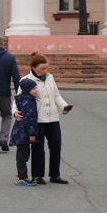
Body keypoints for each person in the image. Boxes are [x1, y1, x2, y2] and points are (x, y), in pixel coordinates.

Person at [19, 53, 72, 185]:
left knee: (56, 146)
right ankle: (37, 175)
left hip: (53, 118)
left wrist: (64, 106)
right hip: (37, 119)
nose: (45, 71)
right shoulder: (25, 80)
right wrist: (15, 112)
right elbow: (18, 99)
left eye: (46, 68)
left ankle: (55, 175)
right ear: (33, 67)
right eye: (42, 69)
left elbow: (56, 95)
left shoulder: (50, 77)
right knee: (38, 148)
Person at [9, 79, 39, 186]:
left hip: (21, 131)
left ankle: (22, 175)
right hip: (23, 133)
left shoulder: (27, 99)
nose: (36, 90)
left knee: (23, 154)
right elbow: (28, 119)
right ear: (27, 89)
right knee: (23, 155)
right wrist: (32, 134)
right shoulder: (28, 102)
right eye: (34, 88)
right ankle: (22, 177)